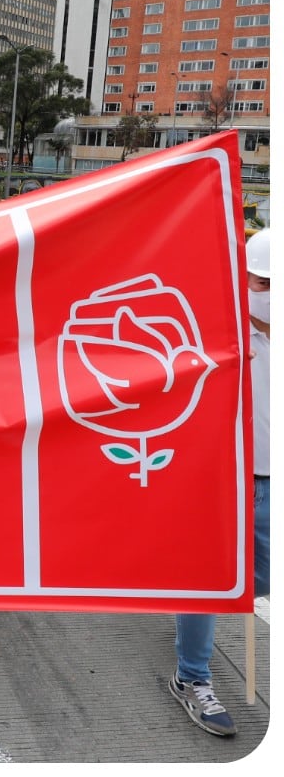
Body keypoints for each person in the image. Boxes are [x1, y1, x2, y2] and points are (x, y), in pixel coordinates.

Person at [166, 228, 270, 737]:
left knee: (254, 580)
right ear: (241, 279)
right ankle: (192, 677)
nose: (269, 293)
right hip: (225, 477)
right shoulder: (217, 334)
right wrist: (216, 363)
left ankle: (183, 601)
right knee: (208, 579)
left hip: (271, 482)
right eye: (263, 282)